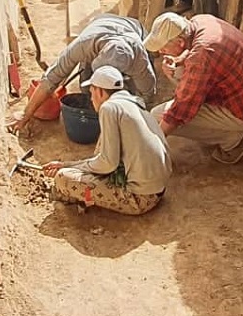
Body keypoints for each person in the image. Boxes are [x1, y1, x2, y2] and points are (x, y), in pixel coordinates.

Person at [145, 12, 243, 165]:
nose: (160, 52)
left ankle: (234, 140)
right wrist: (178, 60)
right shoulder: (199, 21)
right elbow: (196, 52)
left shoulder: (202, 56)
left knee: (158, 116)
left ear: (180, 42)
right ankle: (226, 130)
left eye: (164, 48)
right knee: (179, 72)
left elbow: (180, 110)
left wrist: (153, 143)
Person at [43, 66, 171, 215]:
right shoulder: (133, 103)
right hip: (157, 190)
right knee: (101, 144)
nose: (91, 99)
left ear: (100, 91)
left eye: (92, 93)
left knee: (62, 178)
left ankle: (70, 196)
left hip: (140, 198)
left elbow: (108, 163)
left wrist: (67, 167)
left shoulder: (109, 108)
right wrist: (69, 164)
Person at [7, 14, 156, 134]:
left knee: (128, 96)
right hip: (100, 24)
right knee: (87, 89)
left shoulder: (140, 63)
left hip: (134, 30)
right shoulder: (83, 46)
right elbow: (50, 79)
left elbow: (147, 95)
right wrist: (25, 114)